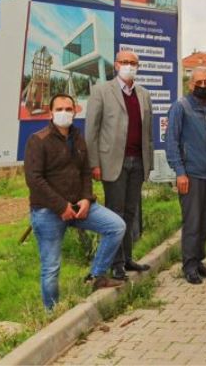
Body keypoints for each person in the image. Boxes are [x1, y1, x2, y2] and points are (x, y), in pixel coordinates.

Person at [24, 94, 126, 310]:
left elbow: (85, 173)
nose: (64, 113)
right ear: (51, 113)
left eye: (68, 109)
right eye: (59, 109)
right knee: (51, 268)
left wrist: (87, 199)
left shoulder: (78, 138)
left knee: (116, 226)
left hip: (80, 207)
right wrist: (61, 207)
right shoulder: (38, 140)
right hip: (48, 211)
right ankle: (51, 313)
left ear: (76, 111)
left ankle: (97, 276)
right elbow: (34, 180)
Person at [85, 50, 154, 281]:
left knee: (131, 212)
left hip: (137, 162)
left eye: (134, 63)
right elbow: (91, 131)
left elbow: (148, 133)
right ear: (116, 65)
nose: (129, 66)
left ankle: (127, 258)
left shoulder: (143, 94)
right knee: (116, 213)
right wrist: (94, 163)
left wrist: (148, 163)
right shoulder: (101, 91)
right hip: (112, 162)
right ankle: (116, 264)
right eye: (125, 62)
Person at [167, 66, 206, 284]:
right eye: (199, 82)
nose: (203, 86)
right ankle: (189, 266)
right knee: (192, 222)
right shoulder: (180, 107)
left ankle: (199, 261)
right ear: (191, 84)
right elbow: (172, 142)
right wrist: (180, 172)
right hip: (190, 174)